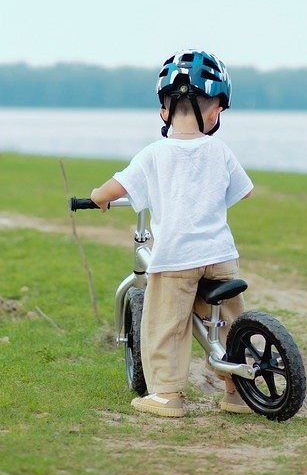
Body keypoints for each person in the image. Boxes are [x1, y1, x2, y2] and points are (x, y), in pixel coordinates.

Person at [90, 49, 254, 418]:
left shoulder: (153, 155)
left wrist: (98, 198)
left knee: (165, 325)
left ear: (164, 110)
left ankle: (167, 395)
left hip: (177, 258)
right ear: (214, 113)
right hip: (222, 256)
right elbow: (244, 191)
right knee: (230, 323)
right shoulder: (220, 151)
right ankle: (238, 393)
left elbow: (117, 187)